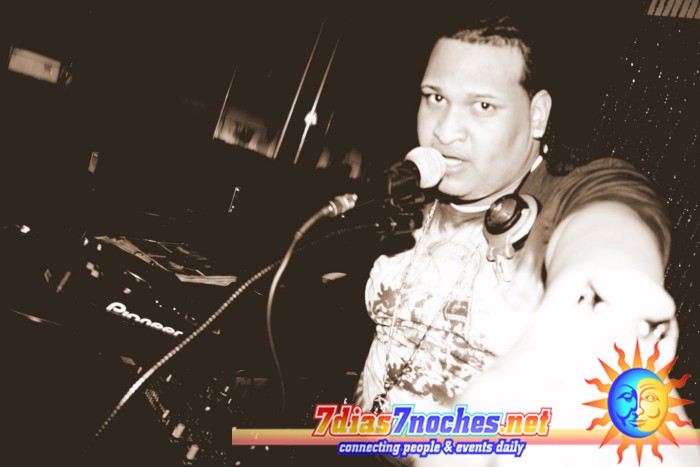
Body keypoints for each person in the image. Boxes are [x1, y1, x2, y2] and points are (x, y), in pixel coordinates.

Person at [352, 14, 699, 466]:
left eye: (482, 106)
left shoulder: (570, 193)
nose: (445, 130)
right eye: (435, 97)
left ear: (537, 115)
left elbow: (612, 226)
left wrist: (603, 308)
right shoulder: (410, 197)